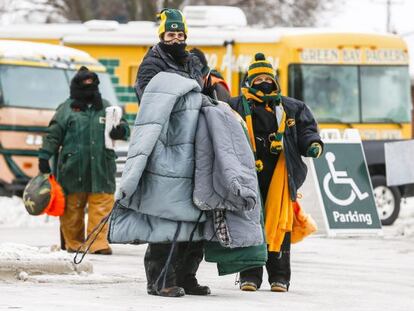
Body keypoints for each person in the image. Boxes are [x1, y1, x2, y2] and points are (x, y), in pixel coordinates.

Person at [127, 8, 210, 297]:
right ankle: (160, 279)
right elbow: (150, 98)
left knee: (195, 213)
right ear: (162, 35)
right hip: (164, 146)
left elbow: (201, 96)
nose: (176, 38)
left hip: (192, 145)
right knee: (166, 214)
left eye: (180, 34)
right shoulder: (150, 64)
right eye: (171, 34)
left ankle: (187, 275)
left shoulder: (192, 63)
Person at [229, 53, 323, 292]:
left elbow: (306, 131)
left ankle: (279, 277)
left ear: (274, 80)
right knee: (250, 223)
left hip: (280, 175)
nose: (263, 82)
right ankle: (249, 276)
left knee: (280, 224)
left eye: (266, 78)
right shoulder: (236, 106)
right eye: (257, 78)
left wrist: (313, 144)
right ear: (249, 81)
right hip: (248, 175)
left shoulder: (292, 107)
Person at [38, 66, 130, 255]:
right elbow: (53, 134)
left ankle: (97, 244)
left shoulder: (106, 106)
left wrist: (121, 130)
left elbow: (124, 127)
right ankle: (74, 242)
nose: (89, 87)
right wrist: (44, 155)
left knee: (102, 205)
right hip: (73, 169)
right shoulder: (66, 108)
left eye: (92, 83)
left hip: (102, 167)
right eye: (84, 83)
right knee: (72, 208)